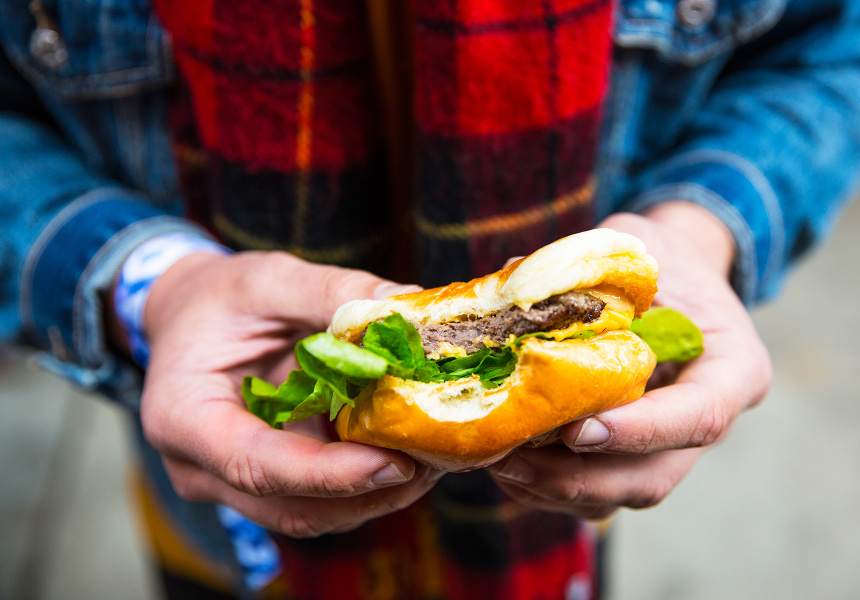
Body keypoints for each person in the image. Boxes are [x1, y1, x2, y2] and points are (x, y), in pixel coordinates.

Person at [1, 0, 858, 599]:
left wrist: (702, 225)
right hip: (232, 521)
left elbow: (829, 48)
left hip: (560, 518)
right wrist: (151, 283)